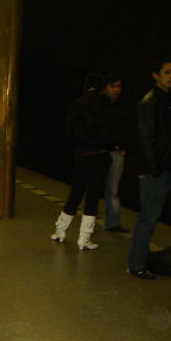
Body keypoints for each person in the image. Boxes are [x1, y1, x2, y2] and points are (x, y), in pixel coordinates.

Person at [127, 58, 171, 279]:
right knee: (148, 217)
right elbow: (145, 138)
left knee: (150, 216)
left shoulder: (164, 100)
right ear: (155, 75)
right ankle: (136, 263)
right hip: (154, 171)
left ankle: (140, 257)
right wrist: (156, 169)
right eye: (167, 72)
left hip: (161, 168)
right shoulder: (151, 103)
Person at [50, 73, 111, 250]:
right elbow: (109, 133)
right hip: (98, 154)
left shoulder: (76, 104)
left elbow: (68, 131)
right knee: (92, 196)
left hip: (80, 155)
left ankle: (60, 231)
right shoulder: (104, 105)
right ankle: (84, 239)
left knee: (76, 193)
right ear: (102, 87)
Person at [100, 72, 130, 233]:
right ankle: (90, 219)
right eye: (112, 86)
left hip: (116, 151)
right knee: (97, 187)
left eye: (118, 86)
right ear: (105, 88)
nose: (116, 90)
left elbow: (127, 128)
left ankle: (111, 222)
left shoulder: (121, 106)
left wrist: (124, 147)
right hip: (101, 150)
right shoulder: (100, 105)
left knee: (112, 188)